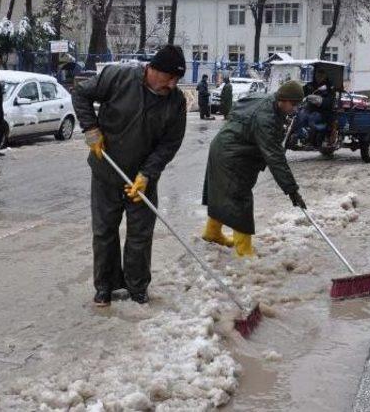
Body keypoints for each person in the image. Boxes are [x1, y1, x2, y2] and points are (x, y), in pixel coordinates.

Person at [72, 45, 187, 307]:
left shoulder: (176, 102)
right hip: (106, 172)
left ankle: (137, 288)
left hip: (142, 180)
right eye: (169, 77)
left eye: (176, 79)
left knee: (140, 235)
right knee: (104, 232)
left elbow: (170, 143)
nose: (172, 84)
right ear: (153, 69)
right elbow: (81, 93)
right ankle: (106, 286)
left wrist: (147, 174)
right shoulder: (119, 77)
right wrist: (91, 128)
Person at [201, 80, 307, 257]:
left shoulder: (266, 100)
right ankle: (244, 252)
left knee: (223, 194)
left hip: (225, 148)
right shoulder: (266, 118)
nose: (295, 109)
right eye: (294, 104)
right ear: (284, 99)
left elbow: (236, 107)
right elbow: (275, 157)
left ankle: (212, 233)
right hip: (232, 156)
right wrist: (292, 190)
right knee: (240, 199)